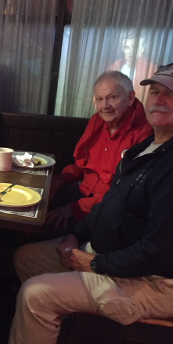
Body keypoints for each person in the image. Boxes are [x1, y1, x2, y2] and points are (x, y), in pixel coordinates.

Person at [6, 62, 173, 344]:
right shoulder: (151, 146)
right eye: (155, 91)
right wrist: (75, 234)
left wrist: (94, 263)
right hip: (106, 256)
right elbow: (108, 204)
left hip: (151, 282)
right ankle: (65, 336)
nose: (159, 99)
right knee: (27, 258)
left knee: (35, 296)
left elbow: (164, 252)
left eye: (172, 94)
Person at [46, 71, 152, 230]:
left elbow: (124, 193)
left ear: (130, 98)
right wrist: (60, 179)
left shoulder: (144, 133)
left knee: (49, 225)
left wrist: (73, 209)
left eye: (112, 97)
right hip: (84, 189)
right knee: (39, 202)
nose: (105, 106)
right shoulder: (97, 121)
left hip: (110, 208)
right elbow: (83, 164)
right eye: (99, 99)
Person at [108, 32, 157, 101]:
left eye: (134, 47)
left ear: (143, 47)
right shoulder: (115, 67)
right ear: (122, 48)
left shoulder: (152, 70)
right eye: (126, 47)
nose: (130, 52)